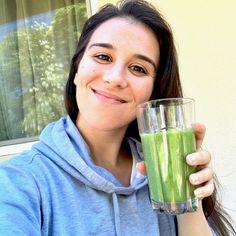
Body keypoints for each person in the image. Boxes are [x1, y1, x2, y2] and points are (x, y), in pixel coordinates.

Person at [0, 0, 235, 235]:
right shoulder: (19, 182)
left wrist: (188, 196)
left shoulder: (164, 172)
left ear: (153, 92)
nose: (115, 78)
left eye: (138, 68)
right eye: (103, 56)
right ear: (77, 69)